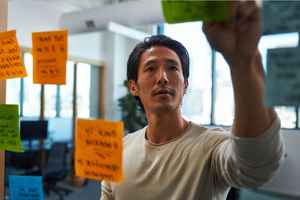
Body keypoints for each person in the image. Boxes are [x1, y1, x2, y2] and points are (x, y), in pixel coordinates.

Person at [100, 1, 284, 199]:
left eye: (173, 68)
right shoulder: (119, 150)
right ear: (133, 86)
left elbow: (256, 167)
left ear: (185, 85)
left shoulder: (210, 146)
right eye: (151, 68)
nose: (162, 77)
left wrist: (242, 61)